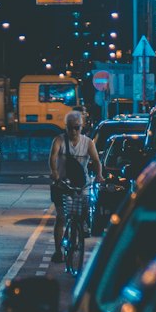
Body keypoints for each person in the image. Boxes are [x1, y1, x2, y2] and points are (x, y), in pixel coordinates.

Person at [48, 110, 101, 262]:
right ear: (66, 127)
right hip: (62, 183)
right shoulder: (59, 140)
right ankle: (58, 251)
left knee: (84, 208)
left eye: (76, 127)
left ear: (81, 127)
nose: (73, 131)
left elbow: (96, 161)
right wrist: (54, 172)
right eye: (70, 127)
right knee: (61, 217)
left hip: (81, 183)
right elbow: (52, 157)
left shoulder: (88, 143)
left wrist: (99, 175)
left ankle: (81, 227)